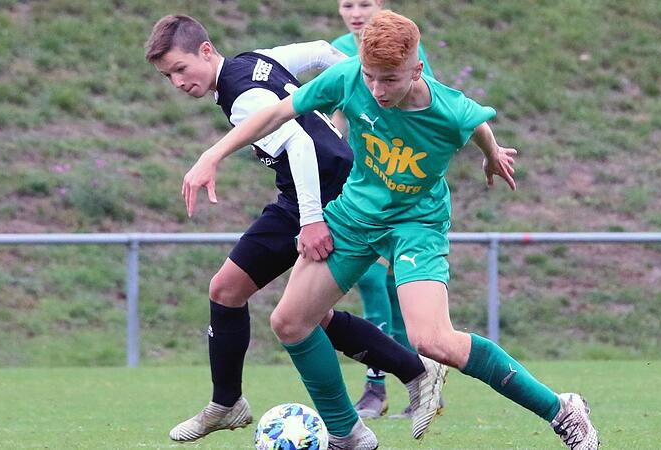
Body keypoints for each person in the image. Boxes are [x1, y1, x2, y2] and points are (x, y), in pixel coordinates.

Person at [181, 10, 600, 450]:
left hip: (417, 224)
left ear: (416, 70)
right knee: (290, 322)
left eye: (390, 80)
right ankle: (347, 434)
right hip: (355, 214)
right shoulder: (349, 78)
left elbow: (477, 122)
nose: (377, 90)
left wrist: (492, 153)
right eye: (370, 77)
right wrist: (212, 155)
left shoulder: (448, 108)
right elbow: (276, 114)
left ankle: (562, 410)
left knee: (432, 341)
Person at [144, 15, 446, 449]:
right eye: (167, 76)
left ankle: (232, 404)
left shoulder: (242, 96)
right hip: (325, 187)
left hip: (319, 196)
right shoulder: (255, 61)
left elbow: (300, 145)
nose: (177, 82)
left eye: (180, 68)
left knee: (244, 297)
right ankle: (409, 375)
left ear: (206, 51)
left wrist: (311, 220)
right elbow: (322, 50)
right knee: (296, 311)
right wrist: (364, 92)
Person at [331, 0, 439, 420]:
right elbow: (335, 110)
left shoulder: (409, 53)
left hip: (396, 188)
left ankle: (413, 382)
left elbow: (425, 116)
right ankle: (381, 388)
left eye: (365, 3)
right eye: (348, 4)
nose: (356, 12)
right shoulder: (338, 50)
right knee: (374, 285)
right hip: (356, 188)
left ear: (381, 5)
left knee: (395, 294)